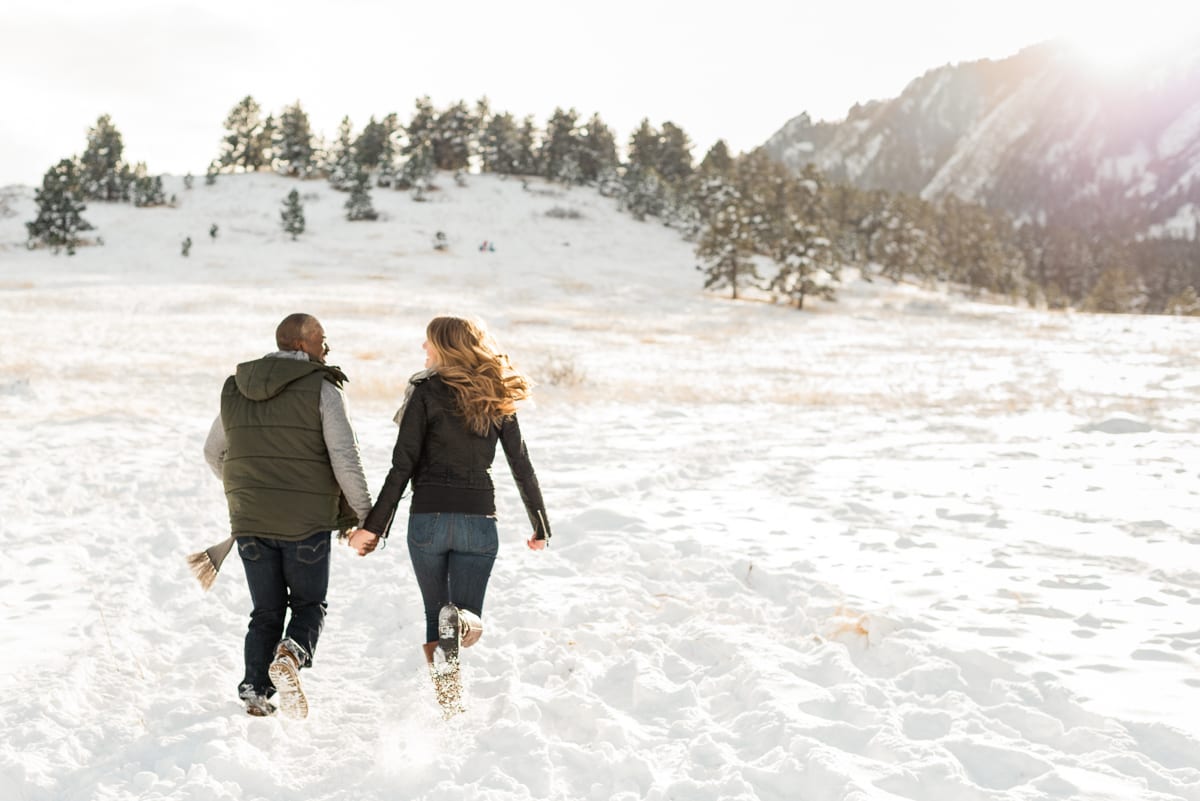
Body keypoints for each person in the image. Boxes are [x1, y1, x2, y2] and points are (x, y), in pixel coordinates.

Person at [355, 316, 551, 715]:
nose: (423, 348)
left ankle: (449, 704)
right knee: (463, 618)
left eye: (428, 342)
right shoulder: (494, 393)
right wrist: (540, 525)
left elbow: (402, 466)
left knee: (436, 614)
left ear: (444, 346)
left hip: (427, 520)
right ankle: (460, 631)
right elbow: (521, 464)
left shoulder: (424, 391)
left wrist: (373, 528)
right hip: (478, 521)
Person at [203, 313, 372, 718]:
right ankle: (291, 654)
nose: (327, 348)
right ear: (300, 344)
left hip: (250, 522)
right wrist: (366, 514)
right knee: (309, 603)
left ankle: (255, 690)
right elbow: (344, 457)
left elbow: (213, 452)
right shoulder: (323, 388)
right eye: (322, 339)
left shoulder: (236, 387)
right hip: (306, 522)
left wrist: (246, 491)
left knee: (266, 610)